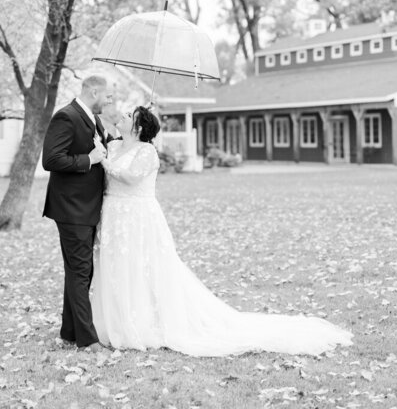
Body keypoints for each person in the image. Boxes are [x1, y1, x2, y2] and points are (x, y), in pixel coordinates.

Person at [90, 106, 353, 356]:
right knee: (118, 267)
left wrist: (103, 162)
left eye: (129, 115)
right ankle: (117, 321)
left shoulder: (147, 152)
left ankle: (143, 324)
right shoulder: (112, 145)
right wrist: (102, 152)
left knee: (143, 268)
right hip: (114, 215)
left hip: (138, 218)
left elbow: (131, 177)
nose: (122, 116)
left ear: (137, 127)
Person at [42, 75, 113, 352]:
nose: (109, 101)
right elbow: (51, 159)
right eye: (107, 95)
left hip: (85, 207)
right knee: (80, 271)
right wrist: (88, 160)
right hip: (71, 208)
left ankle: (69, 332)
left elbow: (100, 149)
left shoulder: (92, 119)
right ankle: (87, 339)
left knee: (80, 271)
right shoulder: (66, 116)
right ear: (93, 91)